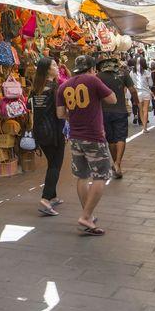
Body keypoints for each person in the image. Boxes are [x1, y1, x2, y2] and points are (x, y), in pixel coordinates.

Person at [55, 55, 116, 236]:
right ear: (91, 68)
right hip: (94, 137)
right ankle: (86, 215)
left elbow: (60, 114)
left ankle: (87, 216)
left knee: (82, 176)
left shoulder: (63, 86)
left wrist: (74, 116)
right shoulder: (92, 80)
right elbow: (112, 99)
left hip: (75, 137)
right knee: (100, 176)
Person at [29, 57, 65, 216]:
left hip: (39, 131)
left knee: (52, 162)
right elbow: (60, 113)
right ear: (47, 70)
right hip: (54, 132)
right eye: (54, 65)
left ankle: (53, 196)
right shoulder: (55, 88)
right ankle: (45, 199)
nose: (57, 68)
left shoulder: (35, 89)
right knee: (55, 165)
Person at [97, 58, 138, 179]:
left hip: (104, 111)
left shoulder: (98, 76)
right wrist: (136, 102)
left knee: (111, 139)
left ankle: (115, 163)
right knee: (121, 137)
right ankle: (117, 163)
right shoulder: (123, 73)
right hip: (120, 110)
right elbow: (132, 90)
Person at [129, 57, 153, 131]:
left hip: (137, 93)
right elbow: (151, 84)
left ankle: (144, 127)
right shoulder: (147, 72)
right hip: (146, 93)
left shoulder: (132, 72)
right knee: (145, 110)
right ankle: (145, 127)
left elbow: (131, 84)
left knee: (140, 110)